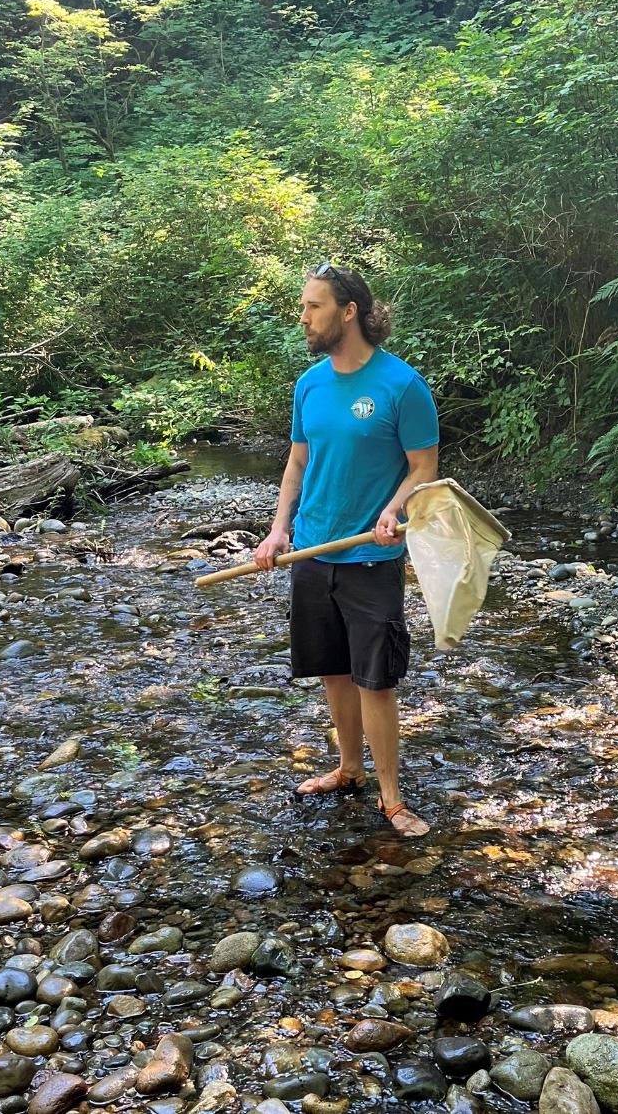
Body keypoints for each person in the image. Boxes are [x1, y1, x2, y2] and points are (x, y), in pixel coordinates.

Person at [253, 262, 439, 838]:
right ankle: (348, 770)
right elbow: (297, 463)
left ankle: (392, 798)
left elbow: (423, 470)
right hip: (311, 552)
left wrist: (395, 509)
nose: (304, 317)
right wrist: (279, 529)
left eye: (314, 306)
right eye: (305, 306)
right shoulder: (308, 384)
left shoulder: (401, 386)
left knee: (375, 681)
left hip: (370, 556)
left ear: (348, 310)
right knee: (334, 672)